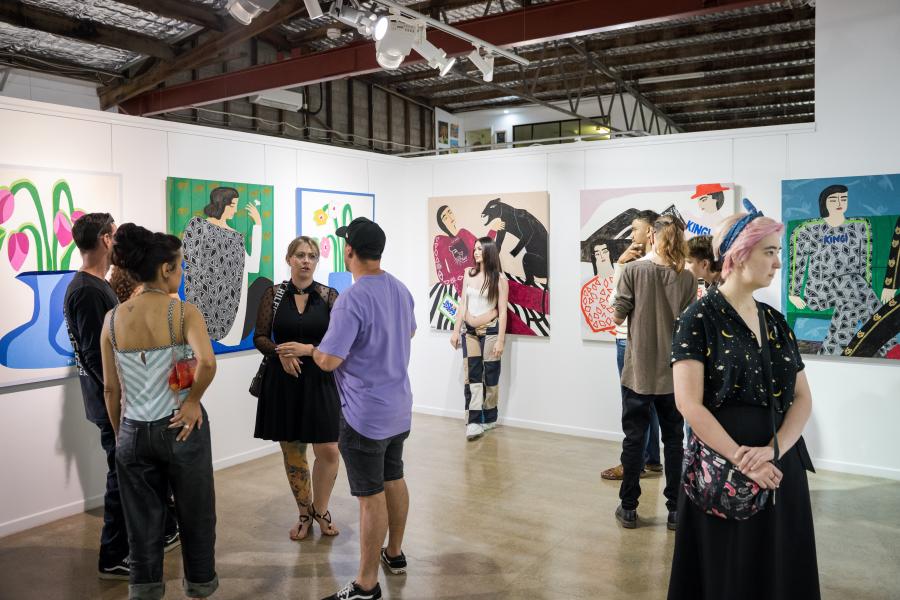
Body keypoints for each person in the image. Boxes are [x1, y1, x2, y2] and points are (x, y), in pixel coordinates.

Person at [668, 207, 819, 600]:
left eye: (777, 252)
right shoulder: (698, 317)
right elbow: (689, 404)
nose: (778, 263)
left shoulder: (775, 321)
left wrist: (773, 451)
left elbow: (803, 397)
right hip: (723, 468)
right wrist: (744, 460)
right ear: (737, 254)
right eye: (769, 251)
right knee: (731, 570)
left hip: (780, 465)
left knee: (780, 566)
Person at [100, 224, 218, 600]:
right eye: (180, 266)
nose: (181, 273)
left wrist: (121, 433)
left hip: (133, 430)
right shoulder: (183, 312)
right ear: (166, 269)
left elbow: (111, 389)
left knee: (141, 524)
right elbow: (207, 362)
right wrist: (193, 401)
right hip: (180, 427)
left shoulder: (112, 319)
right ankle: (199, 585)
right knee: (196, 515)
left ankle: (146, 590)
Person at [63, 213, 179, 580]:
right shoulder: (87, 291)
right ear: (104, 240)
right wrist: (127, 397)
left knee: (135, 474)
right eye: (114, 235)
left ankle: (161, 531)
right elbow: (95, 357)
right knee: (121, 478)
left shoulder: (97, 286)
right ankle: (113, 554)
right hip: (113, 405)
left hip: (121, 402)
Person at [306, 217, 416, 600]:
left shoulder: (352, 299)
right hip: (399, 408)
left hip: (364, 415)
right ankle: (394, 553)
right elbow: (410, 331)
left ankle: (366, 585)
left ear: (349, 250)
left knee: (370, 497)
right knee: (394, 478)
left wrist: (313, 351)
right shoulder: (400, 289)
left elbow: (329, 360)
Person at [253, 236, 341, 541]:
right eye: (300, 255)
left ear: (317, 261)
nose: (306, 260)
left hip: (320, 379)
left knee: (328, 449)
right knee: (293, 451)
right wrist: (281, 352)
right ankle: (304, 514)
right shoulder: (273, 294)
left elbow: (339, 341)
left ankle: (321, 510)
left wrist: (308, 350)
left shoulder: (329, 296)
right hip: (284, 381)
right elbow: (260, 336)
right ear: (289, 259)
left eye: (312, 256)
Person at [612, 216, 696, 529]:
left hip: (638, 372)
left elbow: (617, 315)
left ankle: (629, 508)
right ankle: (675, 510)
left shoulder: (633, 270)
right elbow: (688, 325)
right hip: (673, 375)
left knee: (634, 440)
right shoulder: (687, 277)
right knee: (674, 441)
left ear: (651, 235)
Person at [787, 184, 893, 356]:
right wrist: (794, 293)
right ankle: (890, 346)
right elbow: (797, 261)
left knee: (850, 302)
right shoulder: (808, 230)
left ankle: (828, 353)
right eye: (833, 199)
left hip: (854, 289)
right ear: (824, 203)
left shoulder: (860, 226)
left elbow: (865, 261)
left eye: (843, 198)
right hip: (819, 291)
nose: (839, 203)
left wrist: (864, 293)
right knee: (852, 284)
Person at [602, 210, 663, 481]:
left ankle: (633, 464)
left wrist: (620, 266)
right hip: (651, 340)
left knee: (634, 405)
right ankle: (651, 460)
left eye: (635, 229)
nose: (631, 234)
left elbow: (615, 304)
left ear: (650, 232)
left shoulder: (636, 266)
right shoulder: (664, 264)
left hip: (629, 338)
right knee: (650, 403)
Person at [181, 186, 267, 347]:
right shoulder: (200, 226)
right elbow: (191, 264)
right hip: (210, 307)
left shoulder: (235, 236)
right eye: (233, 205)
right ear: (221, 204)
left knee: (264, 284)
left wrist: (258, 225)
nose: (235, 210)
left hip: (228, 310)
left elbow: (253, 266)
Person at [450, 237, 509, 440]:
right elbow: (462, 305)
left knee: (491, 375)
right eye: (474, 249)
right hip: (470, 332)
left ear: (489, 252)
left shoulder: (499, 279)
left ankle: (489, 418)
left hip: (491, 331)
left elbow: (502, 311)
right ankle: (473, 421)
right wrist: (456, 331)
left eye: (479, 249)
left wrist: (501, 340)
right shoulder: (469, 273)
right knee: (473, 376)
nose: (475, 252)